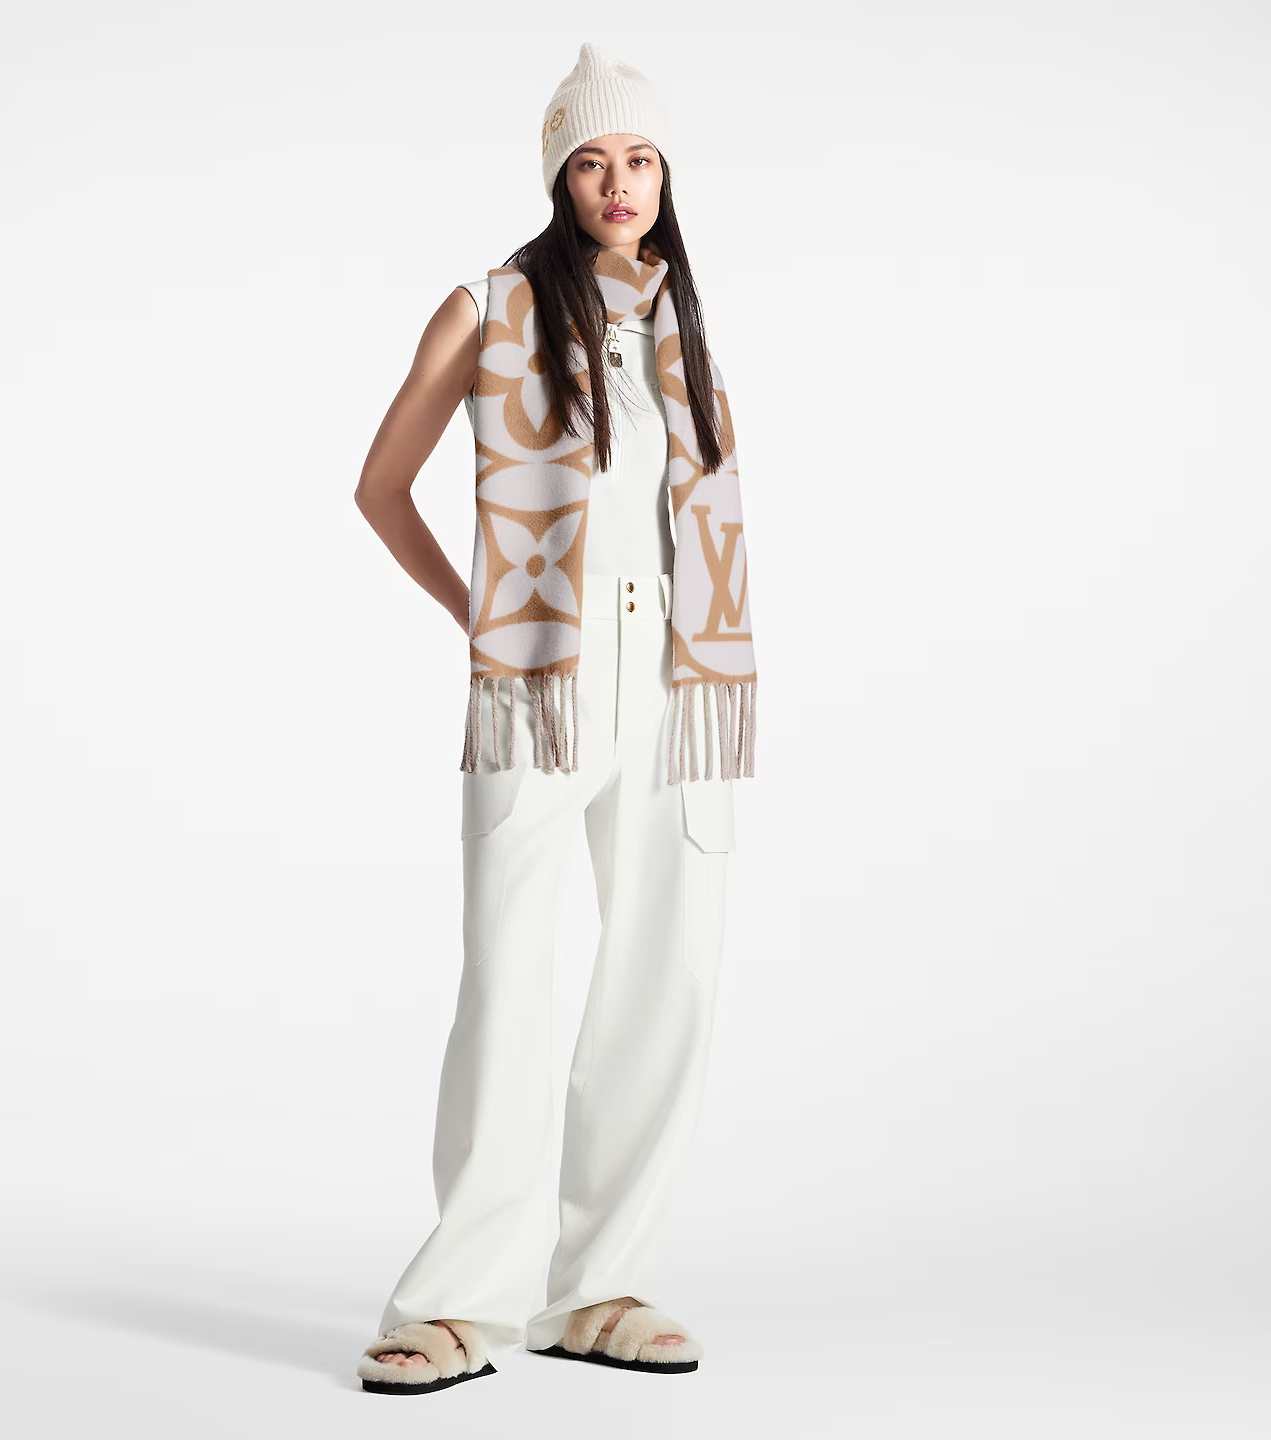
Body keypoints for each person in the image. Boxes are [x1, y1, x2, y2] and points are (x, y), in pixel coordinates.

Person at [352, 40, 759, 1396]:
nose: (619, 182)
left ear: (665, 174)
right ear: (557, 176)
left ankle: (600, 1287)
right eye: (591, 160)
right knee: (509, 977)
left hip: (679, 680)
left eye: (640, 158)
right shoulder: (487, 306)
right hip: (539, 680)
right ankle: (458, 1304)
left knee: (667, 972)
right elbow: (381, 486)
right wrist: (478, 610)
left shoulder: (680, 325)